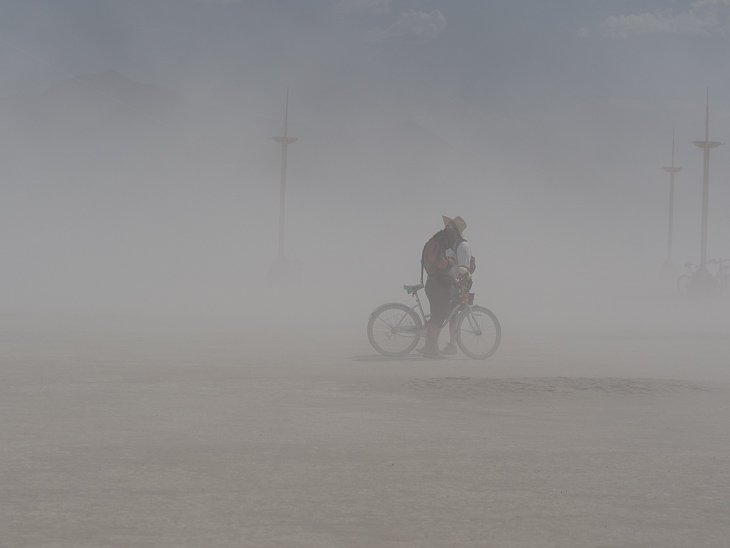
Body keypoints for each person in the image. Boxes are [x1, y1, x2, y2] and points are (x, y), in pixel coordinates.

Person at [420, 215, 470, 358]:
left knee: (435, 317)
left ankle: (429, 349)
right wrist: (450, 263)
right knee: (438, 318)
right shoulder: (441, 244)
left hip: (432, 283)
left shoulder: (434, 241)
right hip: (440, 285)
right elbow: (440, 263)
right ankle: (432, 351)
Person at [442, 216, 472, 355]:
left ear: (456, 230)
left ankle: (452, 344)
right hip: (446, 281)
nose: (447, 228)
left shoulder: (463, 246)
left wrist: (456, 284)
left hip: (456, 284)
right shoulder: (449, 244)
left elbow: (463, 269)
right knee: (443, 312)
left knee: (452, 314)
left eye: (450, 227)